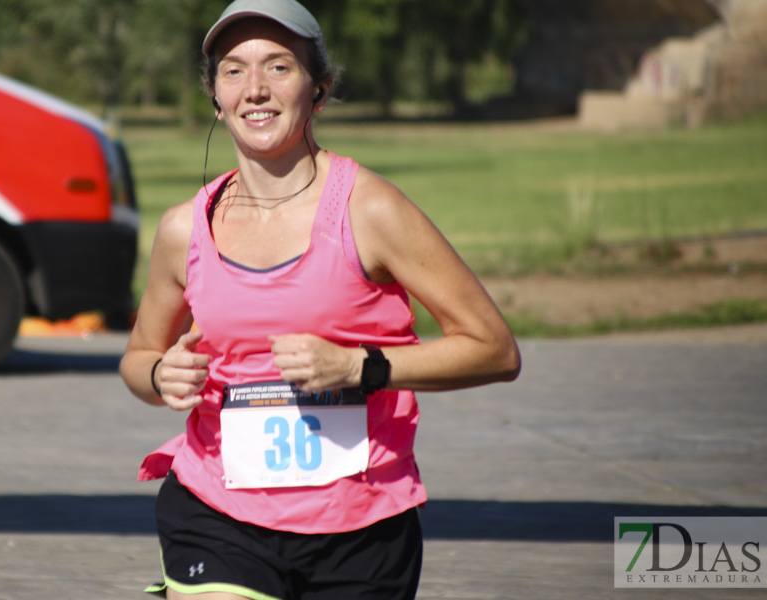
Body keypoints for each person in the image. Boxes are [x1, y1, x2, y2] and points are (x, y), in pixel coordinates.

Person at [119, 1, 521, 598]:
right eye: (234, 71)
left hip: (361, 527)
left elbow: (494, 350)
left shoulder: (372, 210)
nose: (254, 89)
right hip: (217, 512)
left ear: (320, 90)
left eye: (278, 67)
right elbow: (138, 358)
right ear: (215, 98)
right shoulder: (185, 227)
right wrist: (159, 373)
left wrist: (362, 367)